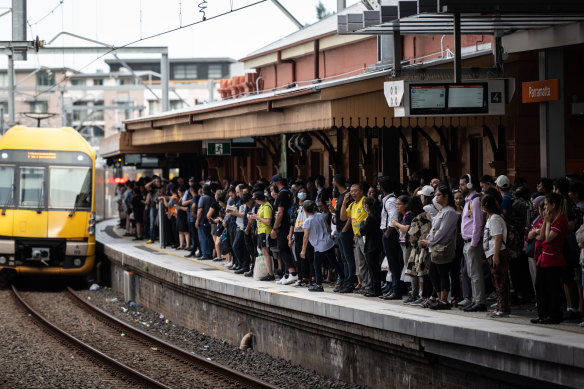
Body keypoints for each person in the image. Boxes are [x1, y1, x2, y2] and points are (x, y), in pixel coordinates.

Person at [419, 185, 459, 310]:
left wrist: (430, 242)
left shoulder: (450, 212)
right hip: (434, 246)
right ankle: (438, 297)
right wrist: (429, 240)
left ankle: (443, 300)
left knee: (442, 273)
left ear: (446, 196)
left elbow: (443, 231)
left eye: (438, 195)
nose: (436, 197)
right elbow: (434, 229)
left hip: (442, 246)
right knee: (433, 273)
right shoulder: (442, 210)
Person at [531, 193, 568, 324]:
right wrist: (545, 220)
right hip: (544, 257)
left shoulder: (560, 220)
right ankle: (542, 314)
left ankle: (554, 315)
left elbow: (548, 237)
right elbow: (541, 237)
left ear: (553, 205)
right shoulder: (551, 218)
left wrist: (546, 222)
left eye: (547, 204)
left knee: (552, 289)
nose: (545, 207)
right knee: (540, 286)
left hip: (553, 259)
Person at [460, 174, 487, 312]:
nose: (461, 187)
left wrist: (474, 243)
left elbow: (478, 223)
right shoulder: (468, 200)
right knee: (471, 273)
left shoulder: (475, 200)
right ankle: (476, 299)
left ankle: (480, 301)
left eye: (463, 184)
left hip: (472, 242)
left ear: (470, 184)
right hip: (467, 241)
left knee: (475, 273)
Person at [481, 194, 511, 317]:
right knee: (496, 281)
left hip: (497, 252)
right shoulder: (491, 218)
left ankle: (503, 308)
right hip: (492, 253)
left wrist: (496, 255)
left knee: (500, 281)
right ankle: (500, 306)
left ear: (485, 206)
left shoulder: (495, 219)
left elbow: (498, 237)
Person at [301, 200, 336, 292]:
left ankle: (319, 285)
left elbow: (306, 237)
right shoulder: (320, 215)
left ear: (304, 209)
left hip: (319, 245)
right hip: (327, 242)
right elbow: (328, 227)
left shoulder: (307, 221)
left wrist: (303, 251)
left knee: (317, 264)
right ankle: (343, 278)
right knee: (334, 262)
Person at [329, 174, 355, 293]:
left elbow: (350, 215)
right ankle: (345, 280)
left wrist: (345, 228)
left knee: (348, 258)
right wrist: (333, 211)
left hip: (345, 231)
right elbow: (340, 213)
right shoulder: (340, 196)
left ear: (336, 182)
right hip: (339, 230)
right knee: (343, 258)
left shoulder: (347, 196)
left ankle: (350, 282)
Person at [341, 183, 369, 293]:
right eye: (351, 191)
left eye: (355, 191)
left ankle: (370, 285)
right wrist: (344, 202)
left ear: (361, 191)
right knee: (361, 263)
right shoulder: (352, 204)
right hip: (357, 237)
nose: (353, 193)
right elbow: (343, 217)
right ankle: (365, 285)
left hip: (365, 236)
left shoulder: (364, 202)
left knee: (368, 262)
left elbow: (370, 215)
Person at [270, 175, 298, 285]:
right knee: (284, 248)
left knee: (282, 248)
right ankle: (286, 274)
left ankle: (293, 273)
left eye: (273, 183)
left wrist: (275, 228)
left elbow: (280, 212)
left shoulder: (282, 194)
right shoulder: (288, 192)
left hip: (284, 225)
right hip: (287, 224)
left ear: (276, 182)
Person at [378, 176, 402, 300]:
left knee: (393, 263)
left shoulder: (390, 200)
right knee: (391, 263)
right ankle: (392, 287)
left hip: (390, 234)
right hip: (387, 233)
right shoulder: (386, 199)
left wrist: (387, 233)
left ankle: (396, 289)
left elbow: (393, 217)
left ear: (382, 187)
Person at [249, 191, 275, 281]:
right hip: (261, 231)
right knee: (264, 252)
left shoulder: (267, 207)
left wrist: (257, 217)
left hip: (265, 231)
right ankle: (269, 272)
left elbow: (268, 222)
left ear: (258, 199)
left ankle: (270, 274)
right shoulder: (261, 207)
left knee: (266, 252)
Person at [289, 186, 312, 286]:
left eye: (304, 192)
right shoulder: (295, 206)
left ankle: (308, 277)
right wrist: (290, 236)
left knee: (307, 255)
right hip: (297, 232)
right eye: (300, 192)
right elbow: (292, 223)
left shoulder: (309, 205)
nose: (302, 194)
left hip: (307, 232)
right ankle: (300, 277)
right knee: (299, 255)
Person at [360, 196, 383, 297]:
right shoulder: (376, 216)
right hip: (376, 244)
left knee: (373, 269)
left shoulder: (370, 218)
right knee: (374, 269)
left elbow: (362, 230)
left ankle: (375, 289)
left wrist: (362, 222)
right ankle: (374, 288)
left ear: (368, 206)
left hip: (371, 245)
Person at [196, 184, 215, 260]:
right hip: (209, 221)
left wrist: (197, 221)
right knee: (209, 238)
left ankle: (204, 254)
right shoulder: (212, 198)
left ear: (203, 191)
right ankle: (209, 253)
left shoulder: (202, 198)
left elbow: (200, 210)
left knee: (202, 238)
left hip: (202, 221)